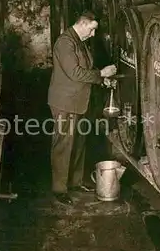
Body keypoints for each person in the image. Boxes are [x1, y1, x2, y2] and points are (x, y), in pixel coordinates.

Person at [48, 10, 117, 205]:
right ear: (83, 24)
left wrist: (102, 81)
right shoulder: (65, 43)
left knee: (78, 142)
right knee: (64, 144)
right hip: (65, 102)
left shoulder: (80, 42)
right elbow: (75, 73)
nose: (94, 34)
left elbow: (86, 70)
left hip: (78, 101)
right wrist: (101, 74)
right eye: (93, 29)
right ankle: (59, 189)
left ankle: (76, 182)